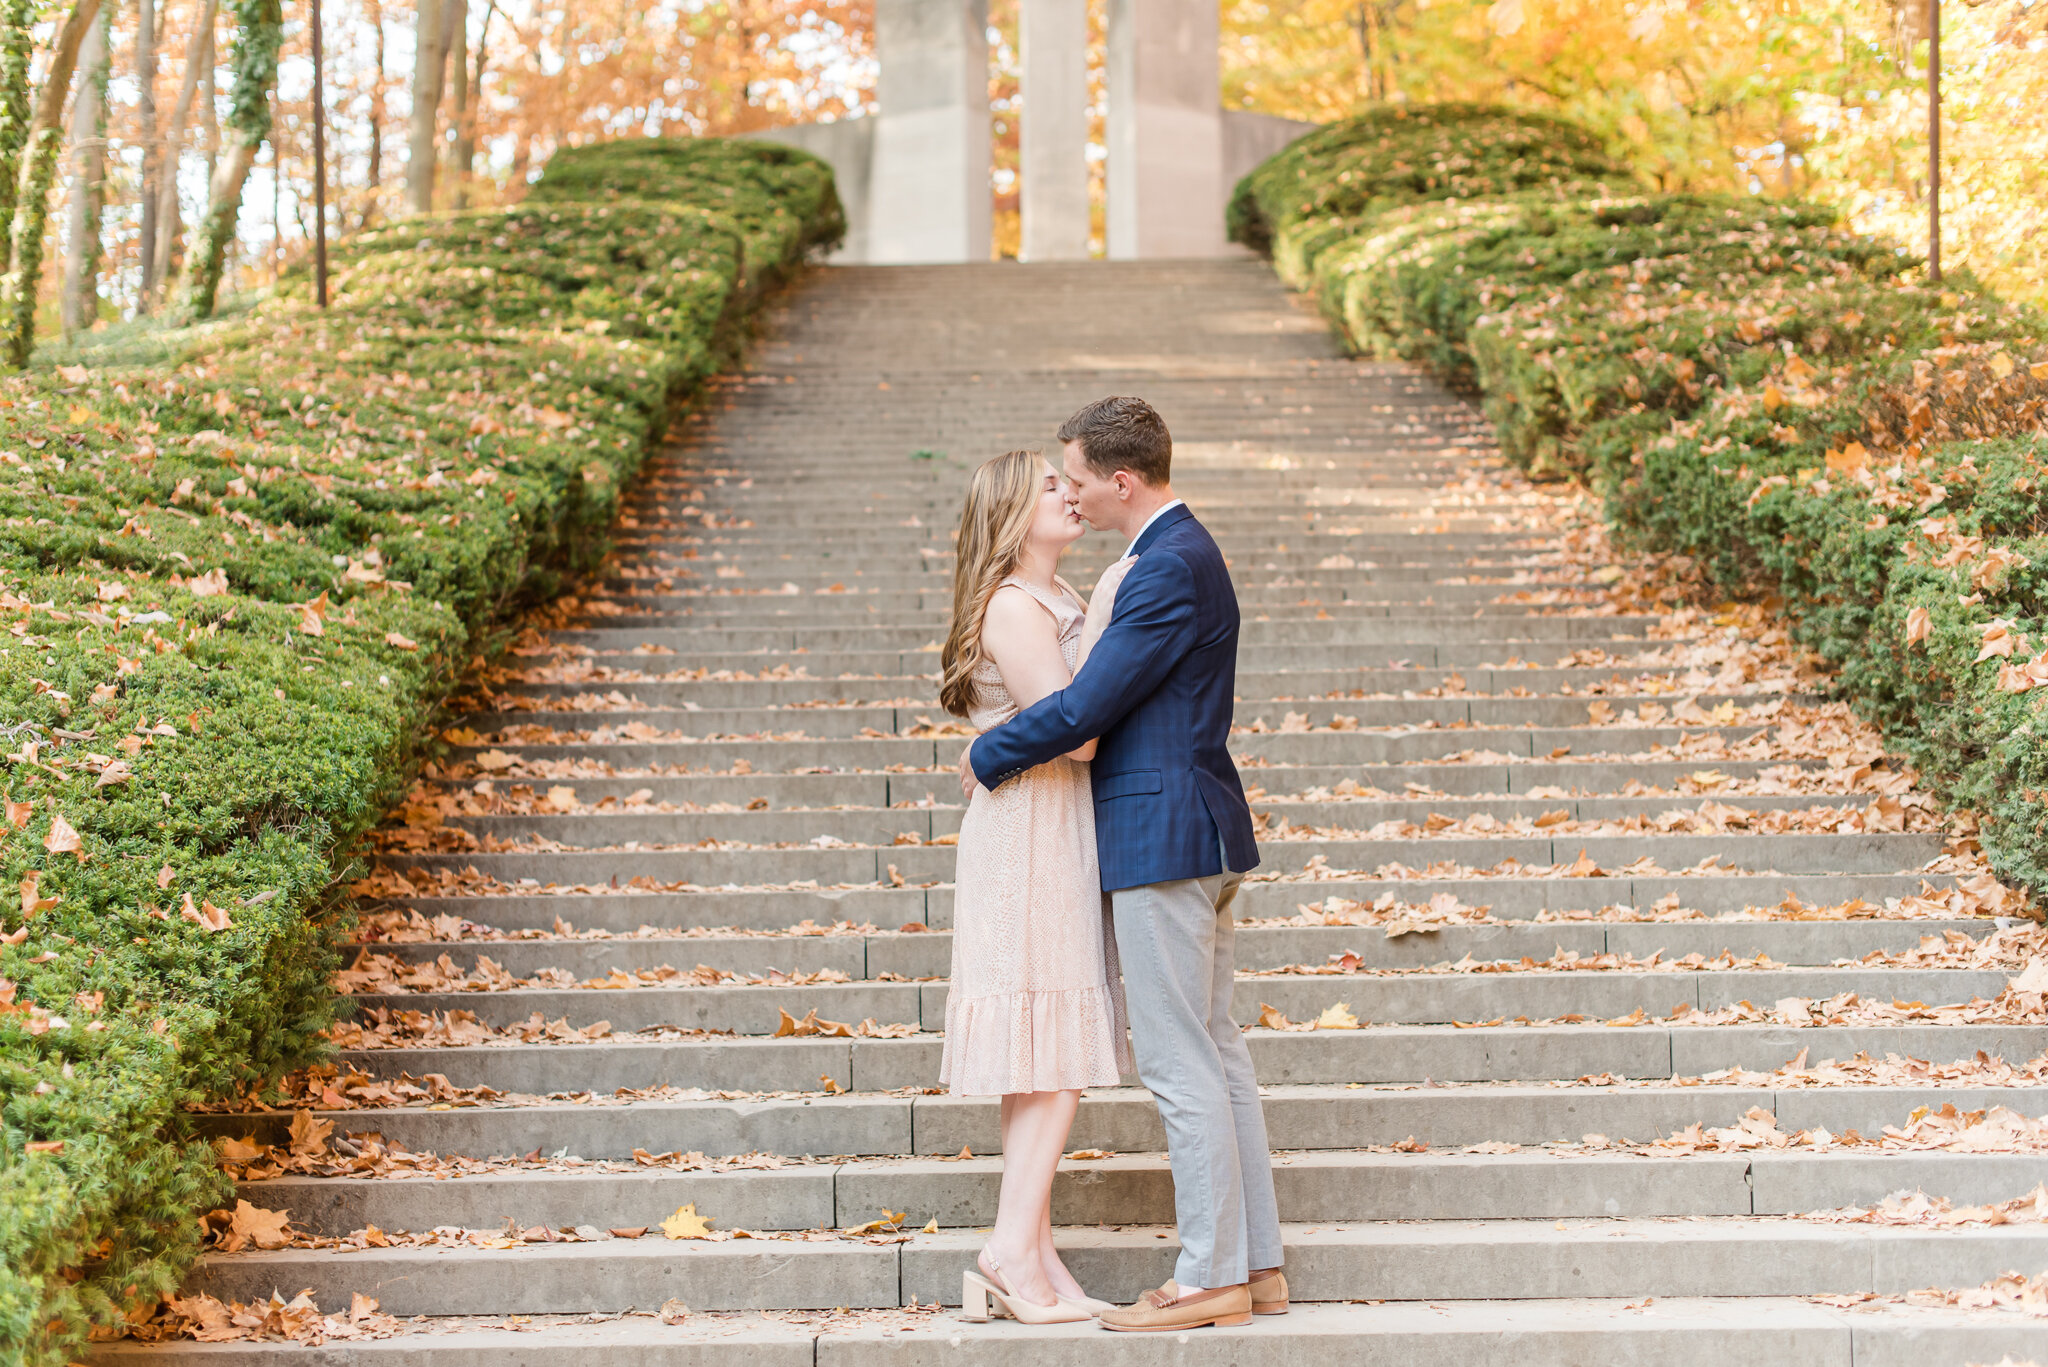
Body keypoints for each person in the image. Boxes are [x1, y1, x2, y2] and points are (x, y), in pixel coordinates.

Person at [958, 396, 1285, 1333]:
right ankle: (1253, 1266)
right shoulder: (1170, 557)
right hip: (1193, 829)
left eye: (1077, 476)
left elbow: (1082, 711)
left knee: (1184, 1061)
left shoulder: (1162, 566)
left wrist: (984, 755)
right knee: (1217, 1056)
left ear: (1122, 479)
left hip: (1163, 836)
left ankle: (1211, 1274)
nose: (1070, 490)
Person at [938, 449, 1133, 1325]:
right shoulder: (1014, 606)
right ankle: (1011, 1247)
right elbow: (1079, 734)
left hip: (1056, 823)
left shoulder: (1054, 598)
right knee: (1050, 1047)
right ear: (1015, 514)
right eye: (1052, 486)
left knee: (1042, 1050)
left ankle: (1034, 1249)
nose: (1071, 493)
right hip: (1028, 828)